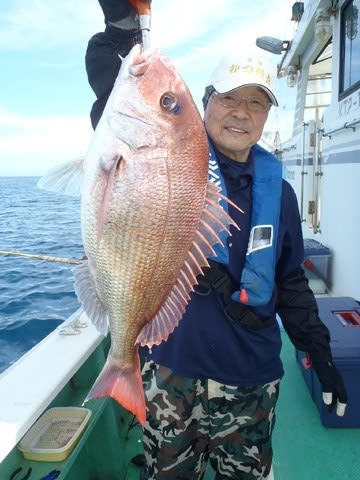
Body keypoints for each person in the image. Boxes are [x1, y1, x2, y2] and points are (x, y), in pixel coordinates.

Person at [85, 2, 348, 479]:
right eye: (229, 98)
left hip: (251, 377)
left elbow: (289, 282)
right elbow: (117, 95)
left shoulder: (280, 193)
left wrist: (319, 351)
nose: (241, 114)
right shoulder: (168, 157)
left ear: (268, 114)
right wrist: (121, 30)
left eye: (256, 103)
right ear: (206, 102)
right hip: (170, 370)